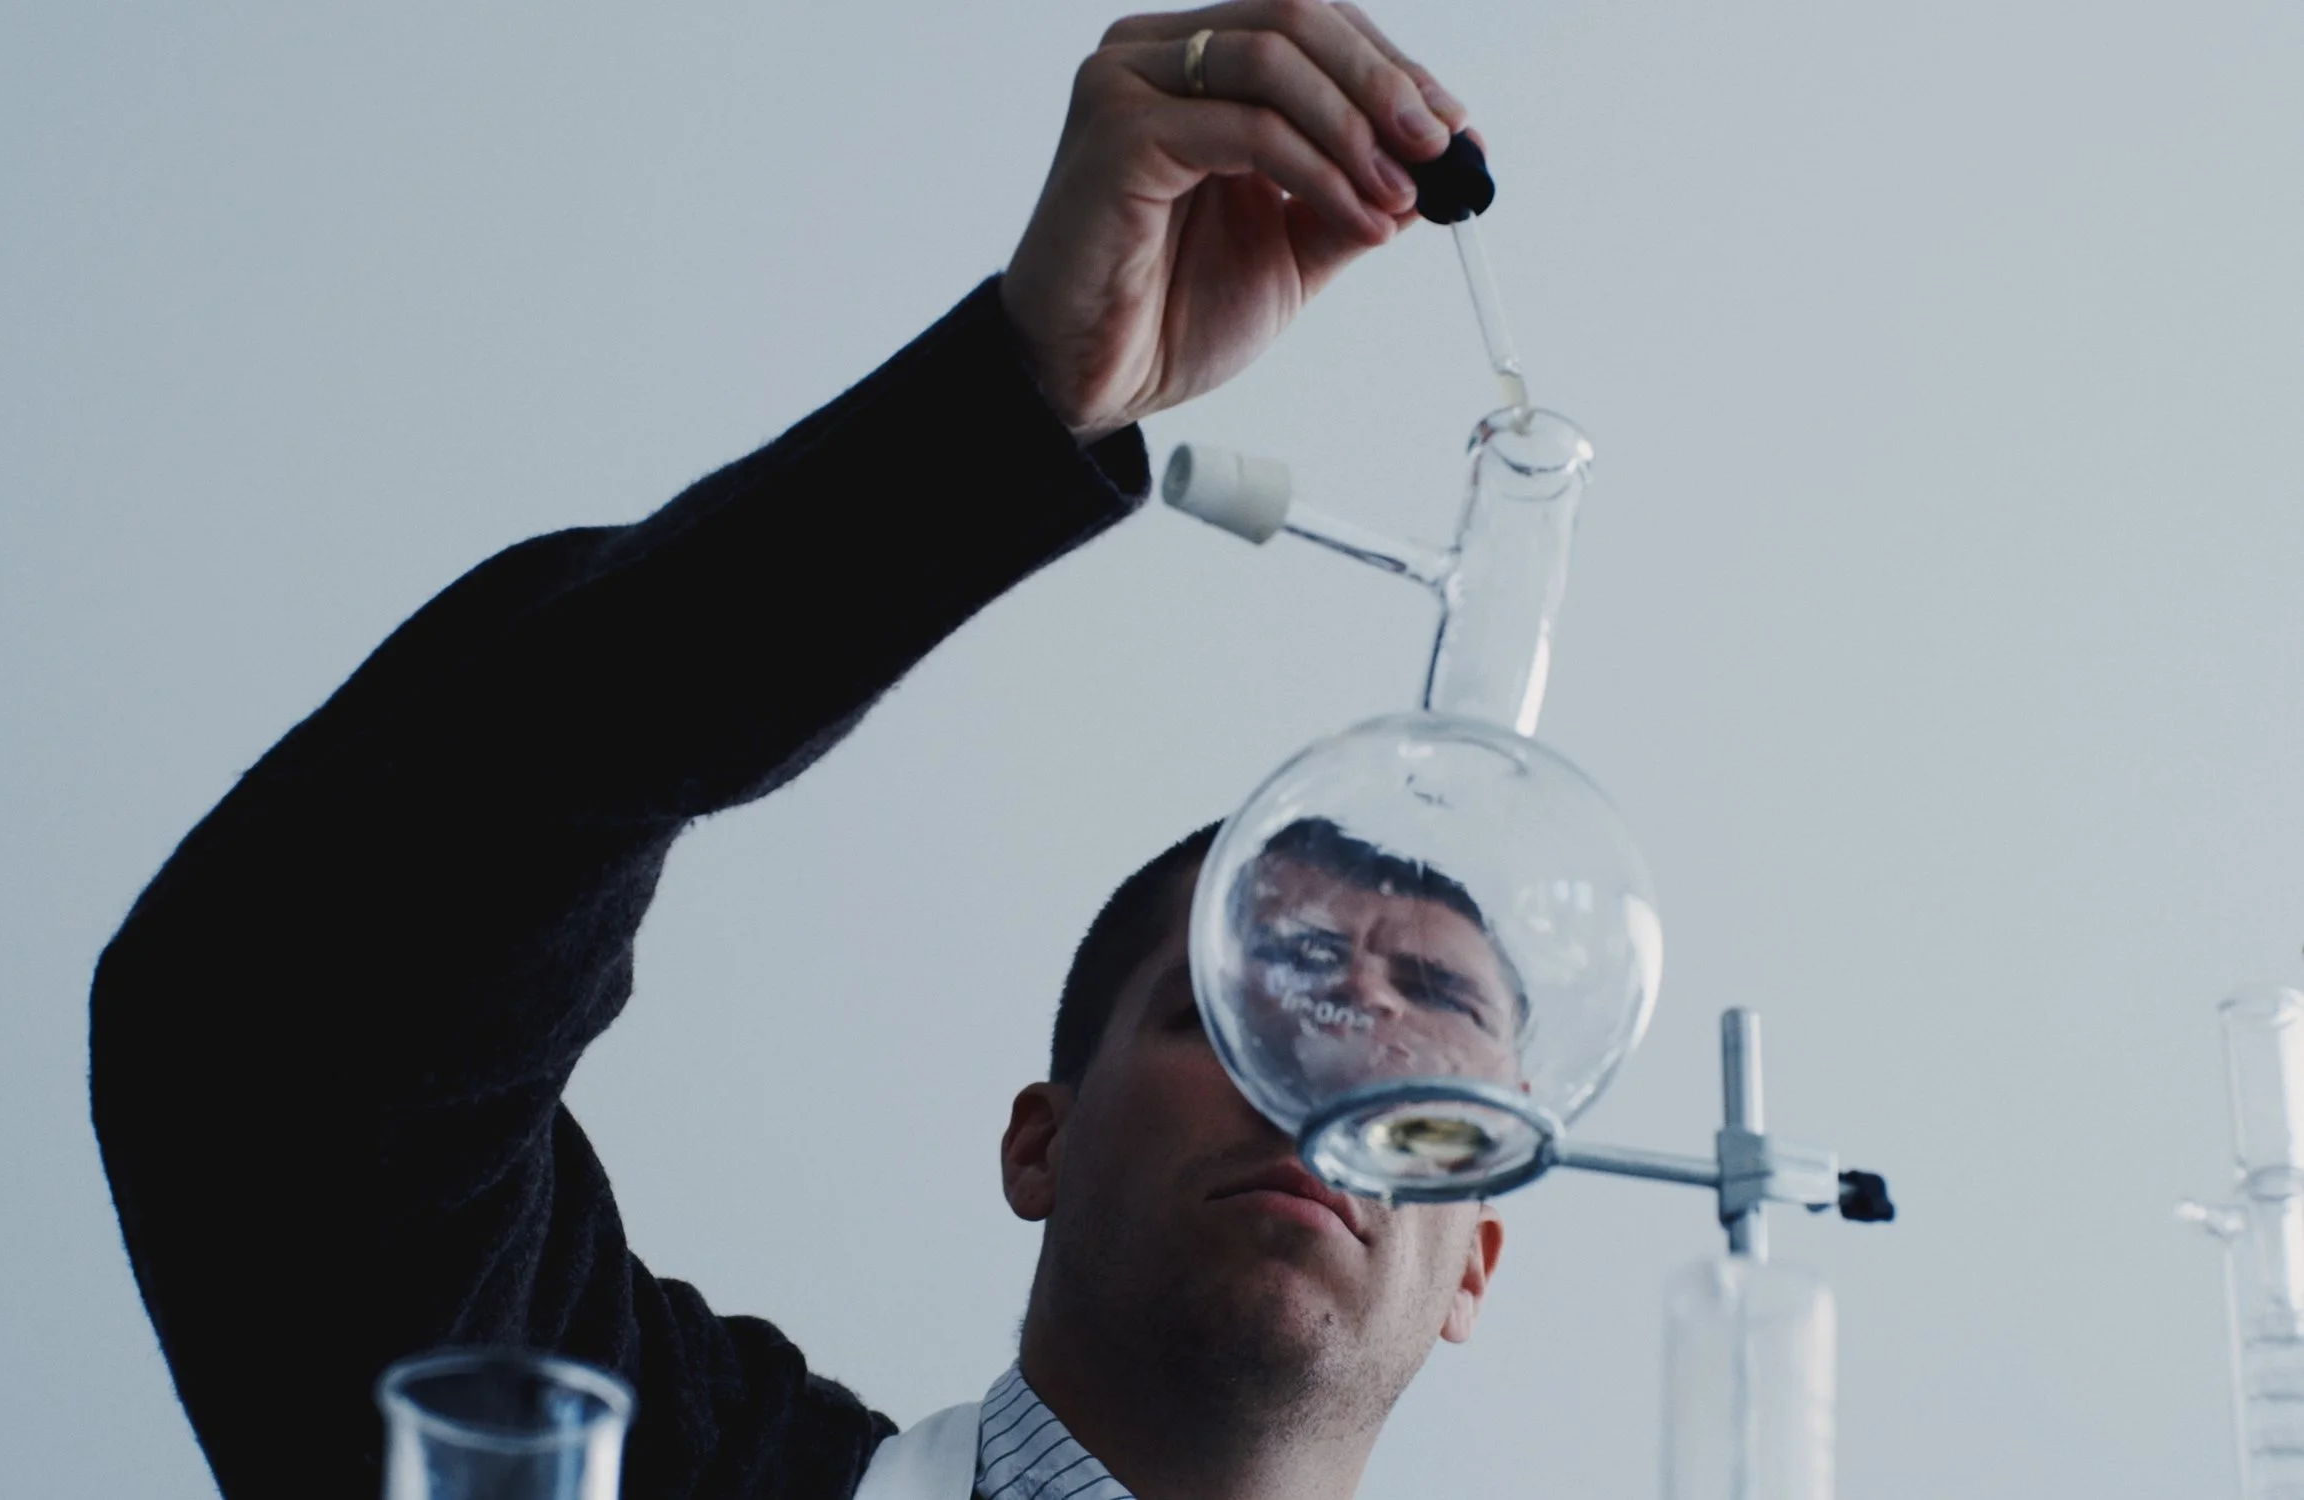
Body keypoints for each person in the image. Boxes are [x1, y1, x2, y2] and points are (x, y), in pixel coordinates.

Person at [89, 5, 1506, 1497]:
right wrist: (1008, 399)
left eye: (1423, 1027)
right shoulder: (648, 1454)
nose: (1328, 1074)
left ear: (1476, 1259)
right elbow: (275, 1025)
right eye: (1248, 1001)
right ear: (1040, 1144)